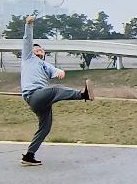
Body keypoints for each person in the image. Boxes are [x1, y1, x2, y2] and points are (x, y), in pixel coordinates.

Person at [20, 15, 95, 166]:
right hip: (34, 95)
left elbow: (56, 71)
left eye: (41, 49)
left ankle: (29, 155)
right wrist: (29, 24)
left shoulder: (46, 65)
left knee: (45, 127)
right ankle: (83, 95)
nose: (38, 49)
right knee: (55, 90)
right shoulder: (28, 58)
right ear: (31, 52)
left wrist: (60, 72)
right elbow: (27, 40)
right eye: (36, 49)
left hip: (43, 100)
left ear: (44, 53)